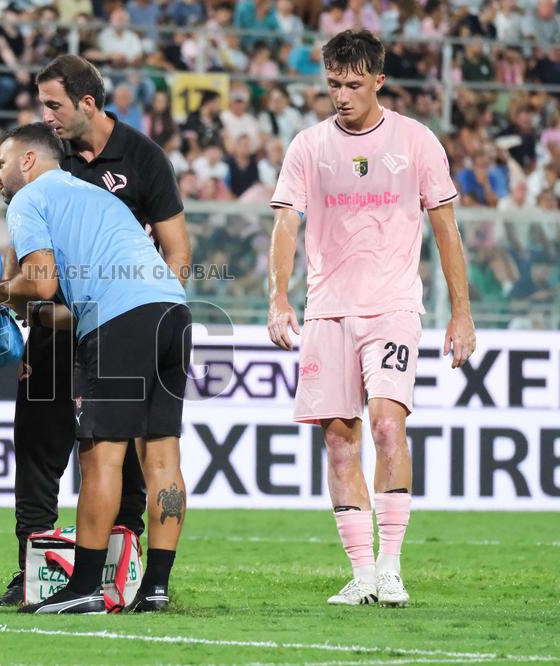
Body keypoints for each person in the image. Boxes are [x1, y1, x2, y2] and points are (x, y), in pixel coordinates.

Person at [0, 54, 190, 606]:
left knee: (101, 455)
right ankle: (154, 587)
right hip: (172, 310)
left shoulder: (30, 197)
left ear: (31, 160)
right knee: (161, 453)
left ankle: (84, 586)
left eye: (2, 164)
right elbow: (108, 277)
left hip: (122, 321)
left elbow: (40, 283)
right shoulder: (97, 196)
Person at [267, 30, 476, 607]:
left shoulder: (416, 141)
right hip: (327, 309)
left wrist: (461, 314)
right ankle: (360, 574)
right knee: (339, 441)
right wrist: (278, 298)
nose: (341, 95)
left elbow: (446, 230)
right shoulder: (308, 146)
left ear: (379, 80)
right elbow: (285, 223)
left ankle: (390, 567)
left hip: (393, 306)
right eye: (333, 84)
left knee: (387, 426)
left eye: (353, 85)